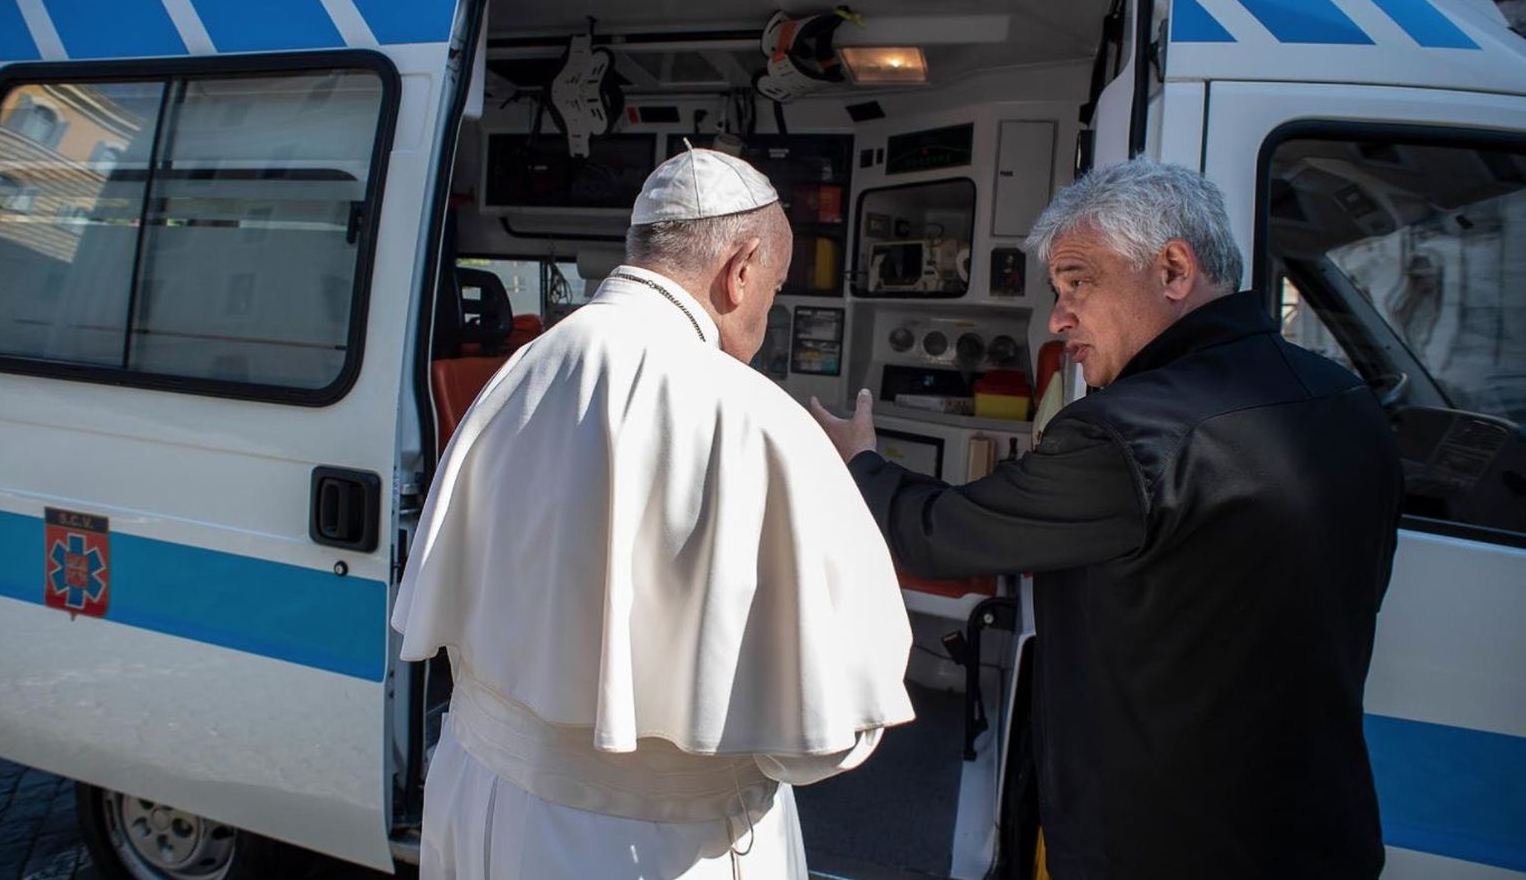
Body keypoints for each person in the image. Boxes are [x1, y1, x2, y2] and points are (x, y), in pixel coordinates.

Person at [811, 159, 1401, 880]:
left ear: (1174, 270)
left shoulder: (1128, 433)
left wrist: (859, 462)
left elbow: (934, 533)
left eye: (1078, 283)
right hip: (1319, 833)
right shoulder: (1344, 398)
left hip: (1162, 845)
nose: (1060, 317)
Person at [394, 145, 915, 879]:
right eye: (775, 283)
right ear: (740, 270)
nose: (768, 307)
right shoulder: (755, 417)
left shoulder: (521, 369)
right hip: (652, 847)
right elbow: (824, 737)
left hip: (477, 805)